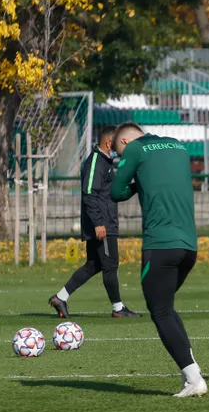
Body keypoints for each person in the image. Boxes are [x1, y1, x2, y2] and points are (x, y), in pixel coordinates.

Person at [110, 122, 207, 397]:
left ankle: (193, 379)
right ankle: (192, 371)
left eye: (119, 153)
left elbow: (116, 192)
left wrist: (135, 184)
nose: (120, 158)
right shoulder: (178, 146)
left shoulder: (136, 149)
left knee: (160, 311)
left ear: (126, 143)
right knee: (166, 307)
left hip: (160, 244)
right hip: (189, 245)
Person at [48, 125, 141, 319]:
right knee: (110, 265)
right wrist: (99, 223)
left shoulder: (106, 162)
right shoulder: (96, 162)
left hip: (105, 222)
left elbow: (111, 194)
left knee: (93, 265)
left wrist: (135, 186)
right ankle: (118, 309)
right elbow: (89, 194)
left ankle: (60, 298)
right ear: (109, 142)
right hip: (103, 225)